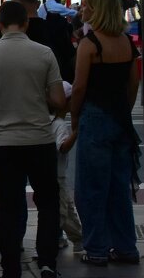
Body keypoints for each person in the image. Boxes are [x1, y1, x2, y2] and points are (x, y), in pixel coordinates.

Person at [0, 0, 66, 278]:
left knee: (9, 207)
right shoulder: (44, 53)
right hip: (39, 139)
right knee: (47, 203)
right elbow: (59, 99)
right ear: (26, 23)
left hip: (5, 143)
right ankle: (47, 262)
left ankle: (11, 267)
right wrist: (37, 93)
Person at [70, 0, 142, 266]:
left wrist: (75, 117)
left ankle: (97, 248)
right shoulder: (126, 42)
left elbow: (79, 87)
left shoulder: (90, 44)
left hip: (94, 117)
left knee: (91, 189)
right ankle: (126, 247)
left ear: (96, 9)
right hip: (121, 119)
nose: (81, 9)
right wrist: (124, 109)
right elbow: (133, 83)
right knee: (119, 188)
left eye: (85, 5)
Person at [52, 81, 84, 254]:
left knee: (67, 210)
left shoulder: (47, 120)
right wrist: (76, 133)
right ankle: (48, 242)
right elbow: (63, 146)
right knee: (62, 212)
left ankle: (79, 239)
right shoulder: (60, 125)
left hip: (49, 175)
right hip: (58, 177)